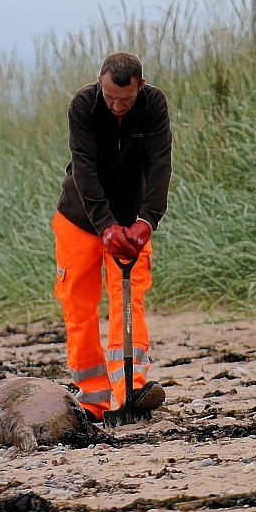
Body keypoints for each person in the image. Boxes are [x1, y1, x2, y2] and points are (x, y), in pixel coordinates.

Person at [52, 51, 173, 422]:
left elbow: (160, 164)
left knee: (129, 298)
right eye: (111, 97)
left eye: (126, 99)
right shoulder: (83, 105)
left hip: (132, 220)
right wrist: (106, 227)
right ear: (99, 83)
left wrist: (147, 220)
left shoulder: (154, 105)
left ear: (142, 86)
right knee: (78, 306)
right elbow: (84, 170)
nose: (118, 106)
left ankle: (131, 392)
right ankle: (93, 399)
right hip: (79, 219)